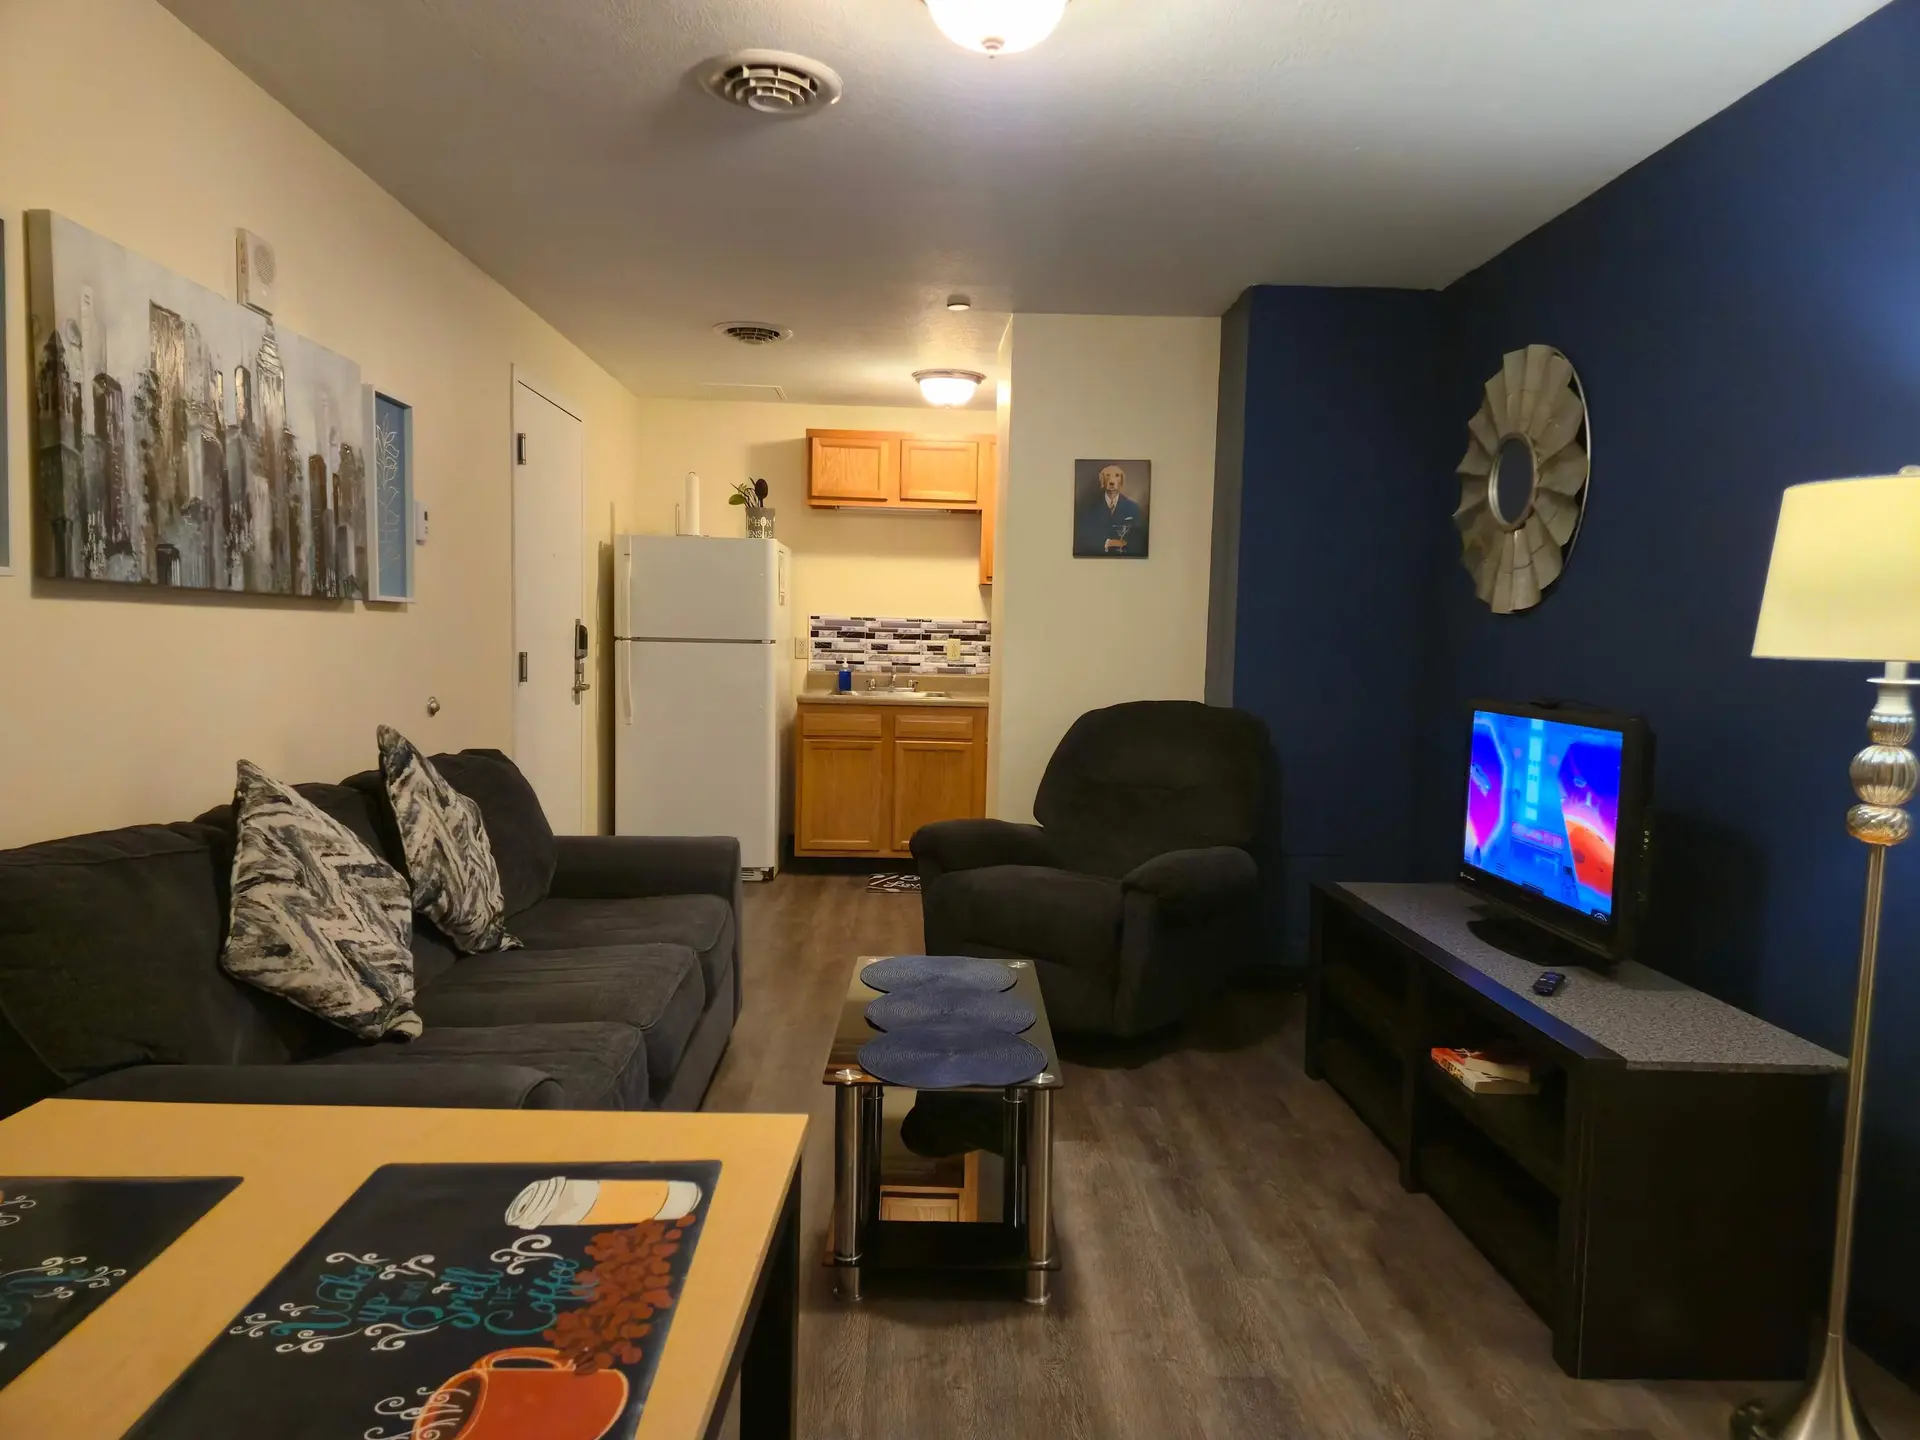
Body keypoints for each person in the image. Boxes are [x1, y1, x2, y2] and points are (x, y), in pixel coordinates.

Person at [1074, 463, 1147, 557]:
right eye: (1107, 475)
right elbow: (1085, 537)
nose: (1112, 480)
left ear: (1121, 480)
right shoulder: (1091, 507)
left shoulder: (1133, 507)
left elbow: (1139, 539)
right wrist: (1109, 543)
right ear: (1102, 480)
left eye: (1117, 475)